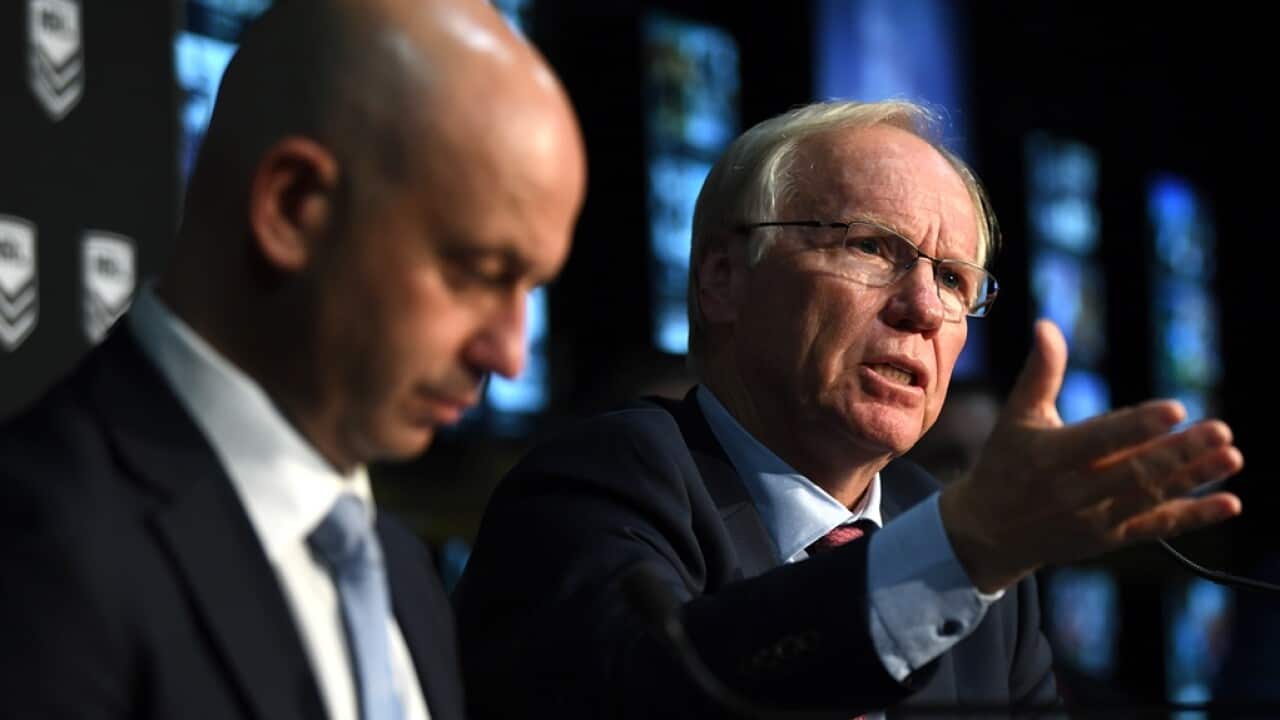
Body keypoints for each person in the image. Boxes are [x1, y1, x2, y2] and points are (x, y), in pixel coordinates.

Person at [452, 100, 1243, 718]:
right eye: (872, 247)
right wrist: (954, 554)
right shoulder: (605, 483)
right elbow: (655, 697)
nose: (925, 309)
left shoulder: (960, 547)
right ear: (723, 277)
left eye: (957, 282)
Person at [0, 0, 586, 717]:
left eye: (531, 289)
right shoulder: (41, 547)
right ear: (292, 205)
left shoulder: (404, 578)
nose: (509, 354)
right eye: (479, 271)